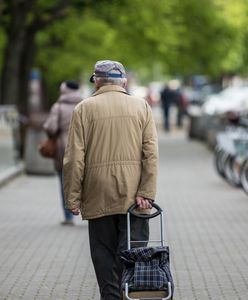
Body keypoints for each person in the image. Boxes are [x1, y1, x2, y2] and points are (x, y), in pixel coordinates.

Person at [63, 60, 158, 300]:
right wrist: (146, 192)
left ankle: (111, 296)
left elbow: (74, 158)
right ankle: (129, 293)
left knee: (103, 252)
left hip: (97, 193)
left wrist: (73, 197)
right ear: (123, 81)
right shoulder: (142, 107)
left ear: (96, 81)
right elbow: (151, 155)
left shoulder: (84, 109)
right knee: (132, 251)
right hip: (135, 197)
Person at [43, 80, 82, 226]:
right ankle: (90, 213)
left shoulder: (58, 107)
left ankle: (69, 217)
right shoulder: (86, 104)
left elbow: (51, 128)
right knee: (86, 181)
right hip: (84, 148)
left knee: (64, 182)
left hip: (63, 148)